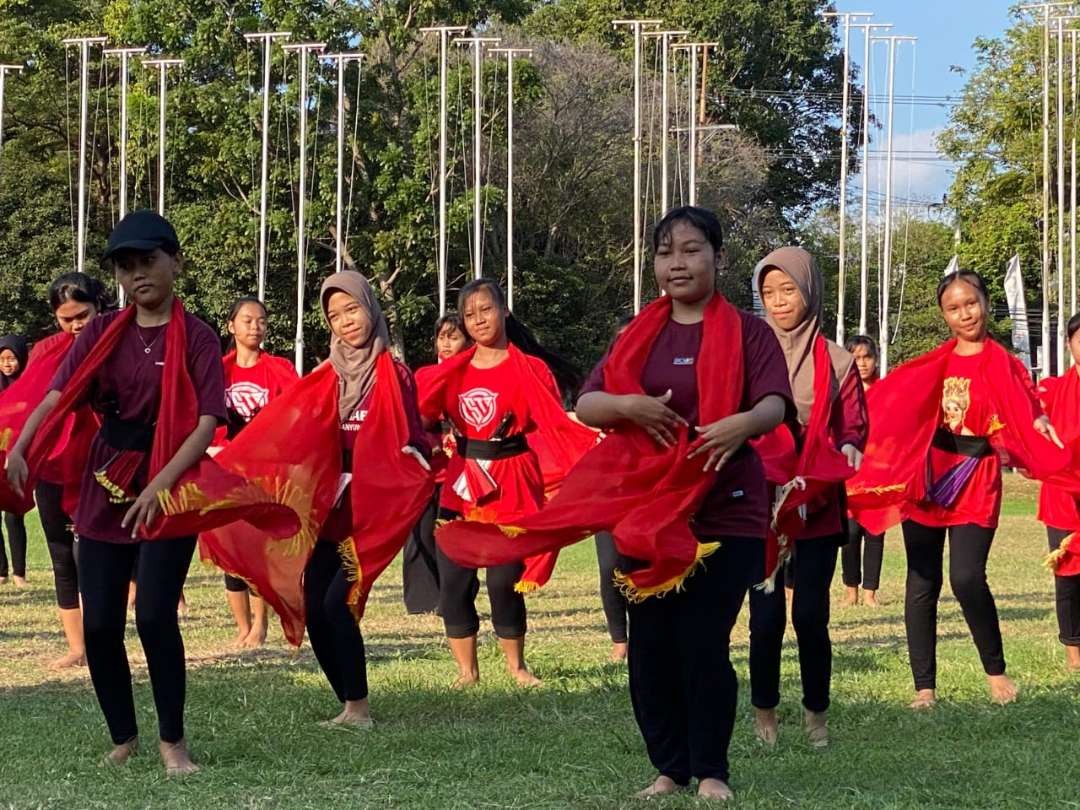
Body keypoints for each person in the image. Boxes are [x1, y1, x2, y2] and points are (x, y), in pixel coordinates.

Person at [437, 206, 793, 801]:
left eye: (691, 249)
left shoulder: (748, 333)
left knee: (704, 644)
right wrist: (632, 409)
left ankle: (711, 771)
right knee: (650, 647)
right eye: (665, 252)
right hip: (643, 510)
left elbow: (776, 405)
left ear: (717, 258)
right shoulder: (638, 332)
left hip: (724, 506)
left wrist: (739, 425)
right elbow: (592, 401)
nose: (677, 262)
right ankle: (669, 768)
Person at [4, 211, 297, 775]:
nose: (137, 275)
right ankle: (123, 735)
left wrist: (160, 486)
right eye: (126, 266)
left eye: (148, 262)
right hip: (105, 481)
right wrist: (23, 446)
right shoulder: (101, 330)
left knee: (156, 616)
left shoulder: (200, 337)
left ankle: (172, 743)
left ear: (174, 263)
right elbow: (58, 391)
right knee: (100, 623)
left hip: (170, 485)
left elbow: (209, 421)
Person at [198, 271, 434, 727]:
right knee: (314, 607)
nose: (346, 322)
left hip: (367, 512)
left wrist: (411, 457)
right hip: (327, 509)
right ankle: (347, 703)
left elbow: (413, 439)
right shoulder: (324, 375)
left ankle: (359, 709)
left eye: (353, 309)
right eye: (335, 315)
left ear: (371, 307)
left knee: (335, 605)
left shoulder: (395, 373)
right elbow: (290, 429)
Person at [848, 269, 1073, 709]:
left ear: (986, 303)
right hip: (928, 474)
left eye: (970, 303)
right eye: (953, 307)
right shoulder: (935, 361)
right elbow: (892, 400)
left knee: (967, 577)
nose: (964, 313)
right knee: (922, 579)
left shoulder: (1003, 362)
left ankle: (996, 673)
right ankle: (924, 688)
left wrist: (1039, 422)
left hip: (976, 477)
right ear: (944, 314)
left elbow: (1026, 405)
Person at [420, 278, 596, 689]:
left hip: (512, 481)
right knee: (455, 579)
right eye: (470, 314)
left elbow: (552, 427)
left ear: (503, 312)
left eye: (486, 309)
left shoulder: (530, 369)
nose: (479, 319)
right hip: (461, 481)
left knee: (503, 580)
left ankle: (517, 667)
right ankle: (467, 672)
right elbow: (420, 418)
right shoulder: (450, 373)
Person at [747, 247, 867, 749]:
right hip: (761, 507)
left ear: (810, 290)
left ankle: (817, 714)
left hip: (814, 505)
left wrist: (846, 445)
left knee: (811, 616)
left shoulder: (837, 360)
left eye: (788, 290)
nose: (778, 302)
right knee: (765, 617)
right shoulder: (748, 351)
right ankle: (765, 714)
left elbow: (855, 423)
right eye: (768, 293)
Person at [212, 296, 298, 648]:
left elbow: (297, 410)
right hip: (225, 468)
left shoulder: (279, 368)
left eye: (261, 320)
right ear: (231, 326)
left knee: (259, 546)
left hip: (265, 470)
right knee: (228, 546)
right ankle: (241, 626)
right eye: (247, 320)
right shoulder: (218, 369)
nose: (255, 326)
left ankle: (261, 624)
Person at [404, 313, 471, 614]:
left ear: (468, 342)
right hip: (426, 470)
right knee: (419, 536)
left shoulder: (474, 375)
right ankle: (421, 602)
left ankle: (454, 598)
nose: (445, 343)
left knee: (454, 539)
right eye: (441, 336)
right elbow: (413, 420)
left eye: (453, 336)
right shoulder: (423, 375)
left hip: (463, 471)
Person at [1036, 312, 1080, 672]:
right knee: (1068, 577)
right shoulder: (1051, 390)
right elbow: (1030, 417)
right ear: (1069, 344)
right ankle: (1073, 653)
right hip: (1063, 499)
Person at [840, 334, 884, 607]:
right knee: (850, 534)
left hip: (880, 474)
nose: (863, 363)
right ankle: (850, 591)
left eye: (867, 357)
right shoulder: (843, 393)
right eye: (856, 358)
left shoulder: (887, 390)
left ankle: (870, 593)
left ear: (875, 359)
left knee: (875, 533)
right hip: (850, 475)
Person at [0, 334, 29, 586]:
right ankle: (1, 572)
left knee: (13, 515)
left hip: (20, 455)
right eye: (2, 359)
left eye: (12, 358)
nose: (7, 364)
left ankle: (19, 573)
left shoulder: (30, 384)